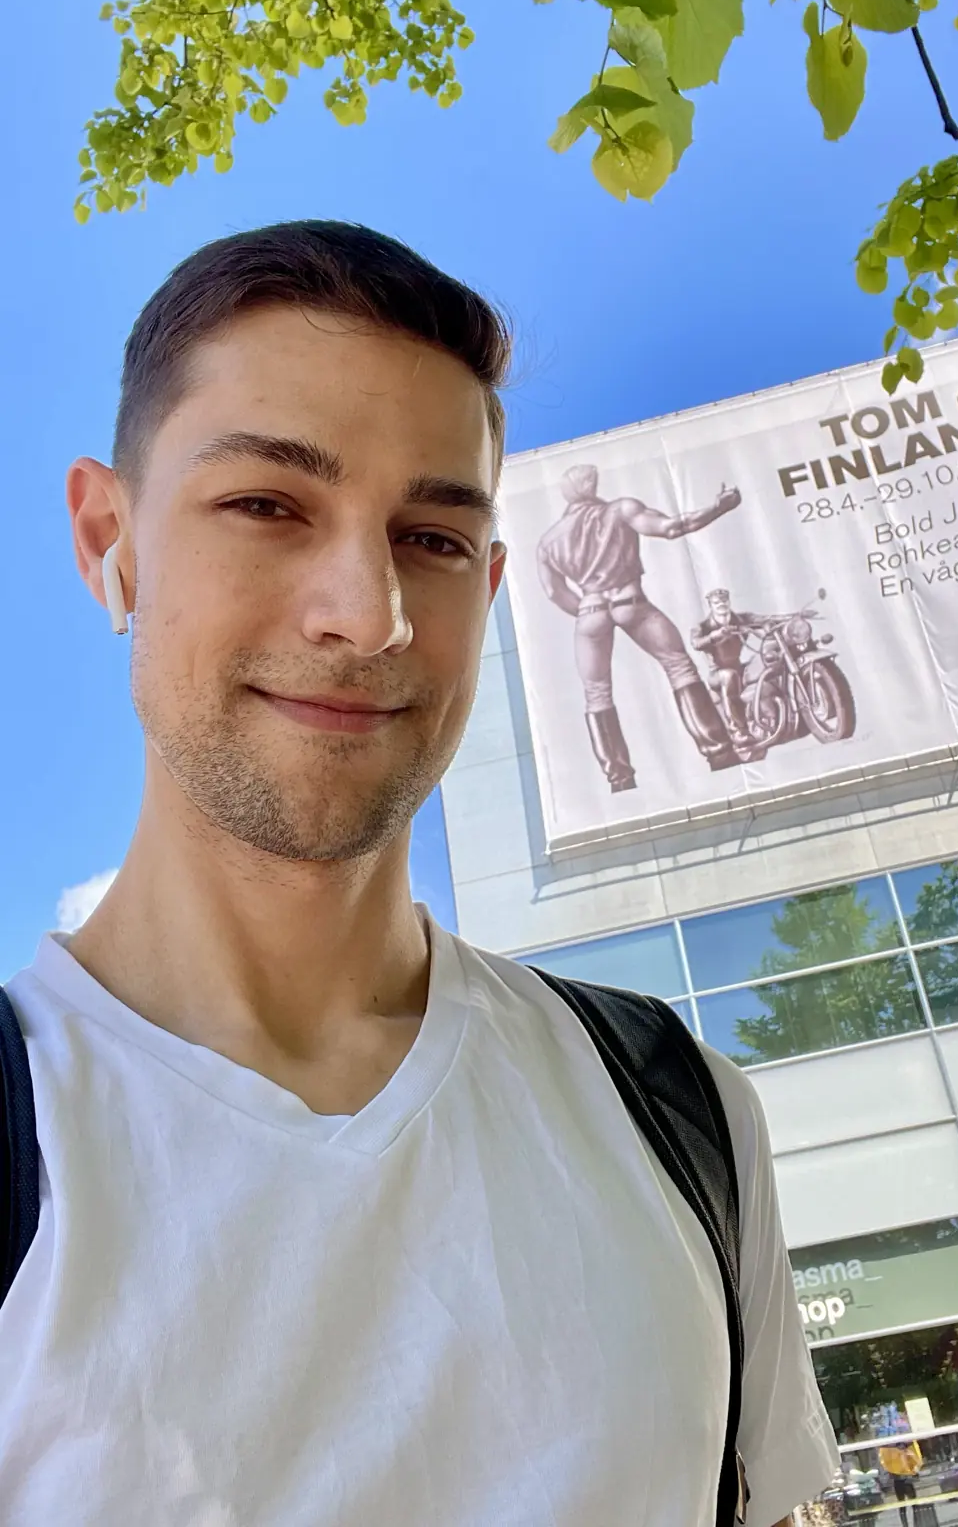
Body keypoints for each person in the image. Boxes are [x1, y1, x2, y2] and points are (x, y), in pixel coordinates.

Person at [0, 222, 837, 1525]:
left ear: (489, 587)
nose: (367, 611)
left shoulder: (680, 1114)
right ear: (109, 537)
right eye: (268, 505)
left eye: (434, 538)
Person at [536, 462, 743, 791]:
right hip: (629, 600)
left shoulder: (549, 540)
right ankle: (719, 753)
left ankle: (620, 780)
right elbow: (672, 527)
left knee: (596, 693)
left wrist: (588, 610)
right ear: (592, 486)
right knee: (679, 667)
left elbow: (553, 591)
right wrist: (718, 508)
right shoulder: (621, 510)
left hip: (590, 610)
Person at [691, 587, 770, 753]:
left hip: (738, 666)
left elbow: (765, 619)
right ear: (711, 605)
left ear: (729, 601)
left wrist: (793, 617)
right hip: (717, 673)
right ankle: (737, 731)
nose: (722, 605)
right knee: (729, 676)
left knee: (763, 665)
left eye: (724, 601)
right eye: (717, 603)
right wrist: (715, 635)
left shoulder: (740, 619)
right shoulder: (704, 626)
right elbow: (696, 643)